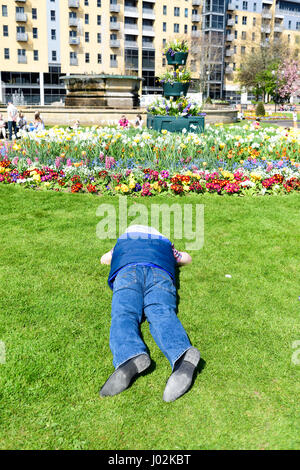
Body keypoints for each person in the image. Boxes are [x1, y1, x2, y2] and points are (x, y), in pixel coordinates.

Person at [99, 225, 200, 402]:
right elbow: (187, 259)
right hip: (160, 273)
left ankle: (129, 355)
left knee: (124, 313)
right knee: (161, 313)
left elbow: (104, 259)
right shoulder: (165, 243)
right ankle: (182, 354)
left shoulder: (123, 241)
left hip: (128, 272)